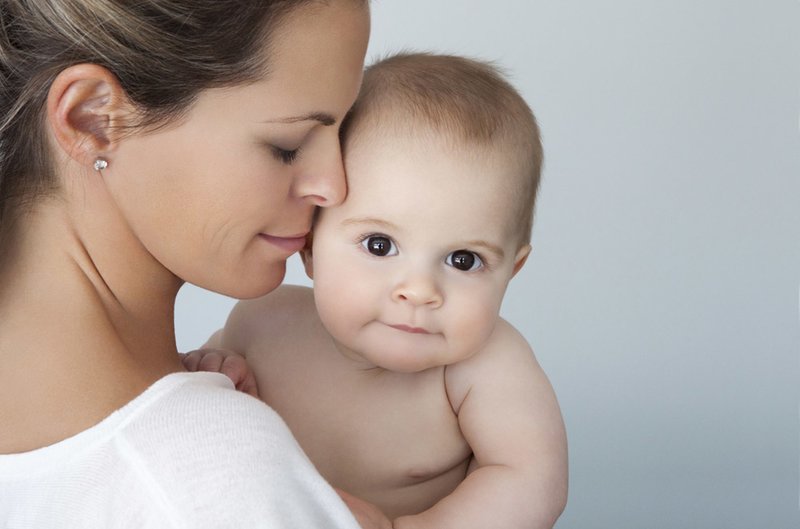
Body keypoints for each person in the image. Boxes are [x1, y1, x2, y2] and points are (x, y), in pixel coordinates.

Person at [0, 1, 385, 527]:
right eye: (288, 145)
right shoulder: (214, 481)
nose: (334, 186)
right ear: (92, 117)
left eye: (343, 134)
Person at [187, 52, 569, 529]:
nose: (419, 290)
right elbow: (192, 394)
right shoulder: (261, 321)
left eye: (463, 260)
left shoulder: (486, 368)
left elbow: (531, 479)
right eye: (380, 244)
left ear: (512, 271)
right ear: (309, 247)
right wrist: (215, 371)